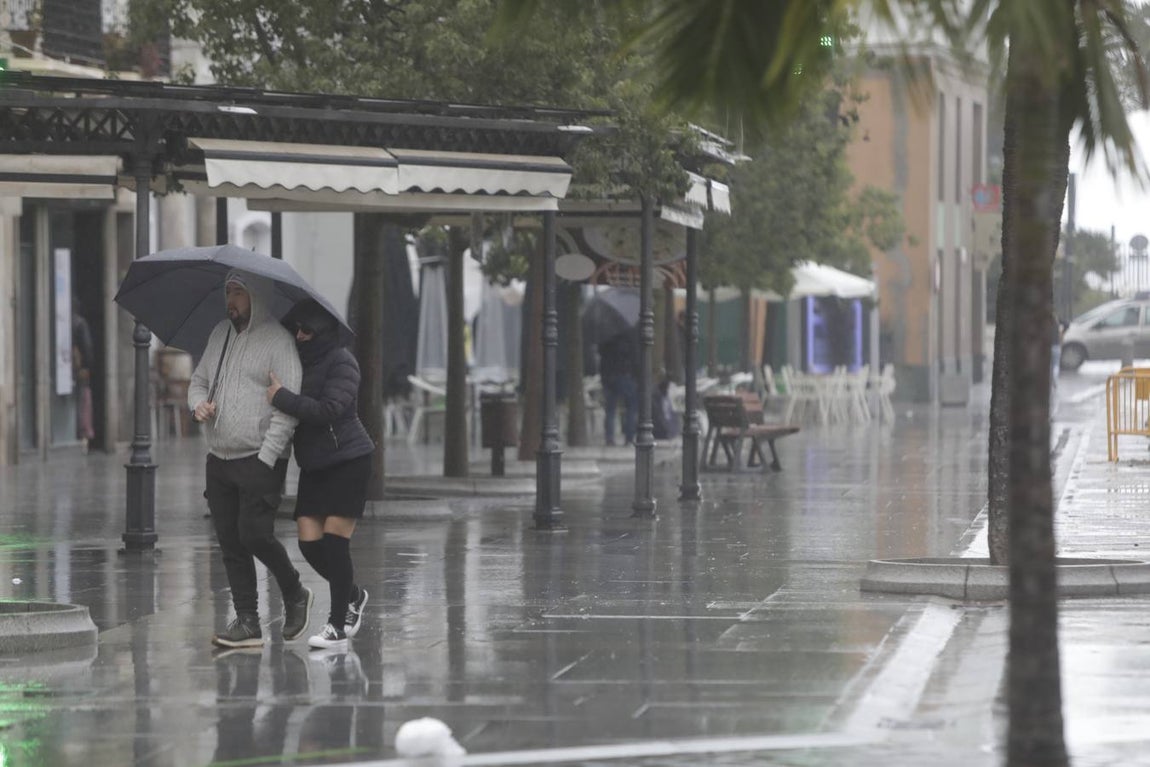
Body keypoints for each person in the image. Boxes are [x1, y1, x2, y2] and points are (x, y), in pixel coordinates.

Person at [188, 269, 309, 650]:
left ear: (256, 295)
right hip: (218, 458)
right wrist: (198, 407)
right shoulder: (220, 334)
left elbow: (288, 408)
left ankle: (295, 590)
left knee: (254, 534)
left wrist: (268, 458)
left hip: (259, 457)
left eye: (238, 293)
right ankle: (247, 622)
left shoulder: (278, 342)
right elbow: (198, 382)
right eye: (228, 293)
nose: (232, 301)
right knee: (230, 542)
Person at [267, 299, 374, 652]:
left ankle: (336, 626)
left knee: (334, 543)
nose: (299, 336)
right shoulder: (298, 362)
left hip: (348, 460)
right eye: (297, 330)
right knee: (308, 544)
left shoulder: (343, 362)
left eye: (307, 331)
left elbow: (329, 409)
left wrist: (282, 397)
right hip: (314, 464)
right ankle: (355, 595)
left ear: (324, 333)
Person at [598, 330, 639, 446]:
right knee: (631, 407)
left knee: (610, 410)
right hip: (624, 376)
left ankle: (610, 438)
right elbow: (634, 360)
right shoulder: (627, 341)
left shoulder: (605, 342)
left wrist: (604, 378)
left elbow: (602, 362)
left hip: (608, 378)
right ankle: (629, 437)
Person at [72, 298, 95, 452]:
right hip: (79, 370)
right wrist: (87, 366)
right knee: (82, 401)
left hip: (69, 369)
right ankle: (83, 437)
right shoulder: (80, 323)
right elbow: (87, 348)